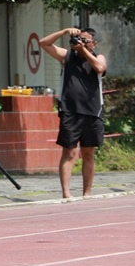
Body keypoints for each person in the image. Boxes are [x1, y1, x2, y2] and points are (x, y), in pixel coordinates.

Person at [39, 27, 107, 198]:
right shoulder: (67, 56)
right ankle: (66, 194)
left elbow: (99, 68)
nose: (80, 42)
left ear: (94, 43)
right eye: (79, 39)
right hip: (70, 110)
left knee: (88, 152)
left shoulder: (98, 57)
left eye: (85, 40)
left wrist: (83, 49)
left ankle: (87, 193)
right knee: (69, 152)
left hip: (92, 112)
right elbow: (43, 43)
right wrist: (63, 32)